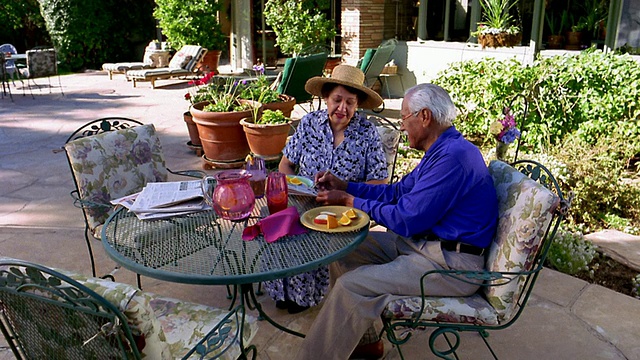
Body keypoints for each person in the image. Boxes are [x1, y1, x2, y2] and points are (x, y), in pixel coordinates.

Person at [296, 83, 499, 359]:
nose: (402, 127)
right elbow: (398, 192)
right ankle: (364, 341)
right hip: (424, 247)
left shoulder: (453, 158)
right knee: (342, 249)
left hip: (450, 265)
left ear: (424, 117)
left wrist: (348, 201)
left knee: (350, 287)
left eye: (404, 118)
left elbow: (406, 219)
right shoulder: (442, 150)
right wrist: (347, 186)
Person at [264, 64, 390, 314]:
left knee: (314, 233)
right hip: (303, 202)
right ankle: (284, 291)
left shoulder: (367, 133)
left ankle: (306, 295)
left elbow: (379, 184)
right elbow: (286, 164)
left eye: (350, 103)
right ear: (325, 98)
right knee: (279, 223)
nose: (343, 108)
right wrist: (295, 188)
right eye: (337, 100)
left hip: (343, 211)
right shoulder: (309, 123)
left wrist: (345, 195)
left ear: (357, 105)